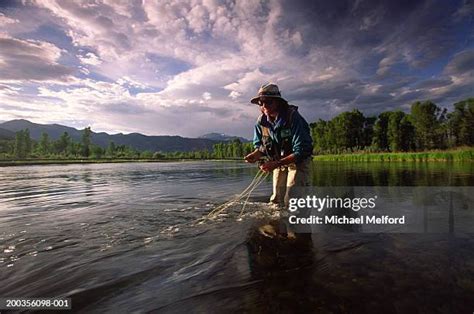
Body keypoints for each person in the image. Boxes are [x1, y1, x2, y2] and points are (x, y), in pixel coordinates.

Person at [244, 83, 313, 210]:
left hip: (298, 162)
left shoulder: (293, 118)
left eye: (268, 102)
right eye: (260, 103)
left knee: (292, 200)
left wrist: (276, 164)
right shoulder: (261, 122)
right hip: (277, 162)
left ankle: (296, 226)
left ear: (278, 102)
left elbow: (301, 151)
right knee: (276, 200)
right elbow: (262, 147)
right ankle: (277, 227)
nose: (264, 106)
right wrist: (256, 154)